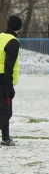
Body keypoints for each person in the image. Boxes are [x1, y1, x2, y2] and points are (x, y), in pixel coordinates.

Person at [0, 15, 22, 146]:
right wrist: (10, 87)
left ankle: (6, 138)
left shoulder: (1, 37)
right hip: (3, 79)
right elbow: (9, 66)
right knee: (6, 112)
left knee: (2, 109)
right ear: (18, 28)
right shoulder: (13, 41)